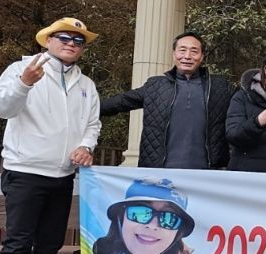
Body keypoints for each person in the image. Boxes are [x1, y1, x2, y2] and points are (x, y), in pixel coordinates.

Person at [0, 17, 101, 254]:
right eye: (64, 37)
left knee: (49, 246)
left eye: (78, 41)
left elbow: (92, 124)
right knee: (18, 245)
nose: (71, 44)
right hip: (25, 171)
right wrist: (24, 83)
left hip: (63, 175)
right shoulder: (22, 69)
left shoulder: (86, 84)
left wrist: (86, 146)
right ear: (48, 40)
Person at [100, 32, 234, 169]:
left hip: (208, 172)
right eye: (182, 50)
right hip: (160, 172)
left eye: (194, 51)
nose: (187, 56)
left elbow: (244, 105)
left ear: (202, 56)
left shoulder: (220, 86)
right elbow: (122, 101)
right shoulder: (155, 86)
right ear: (174, 54)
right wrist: (89, 108)